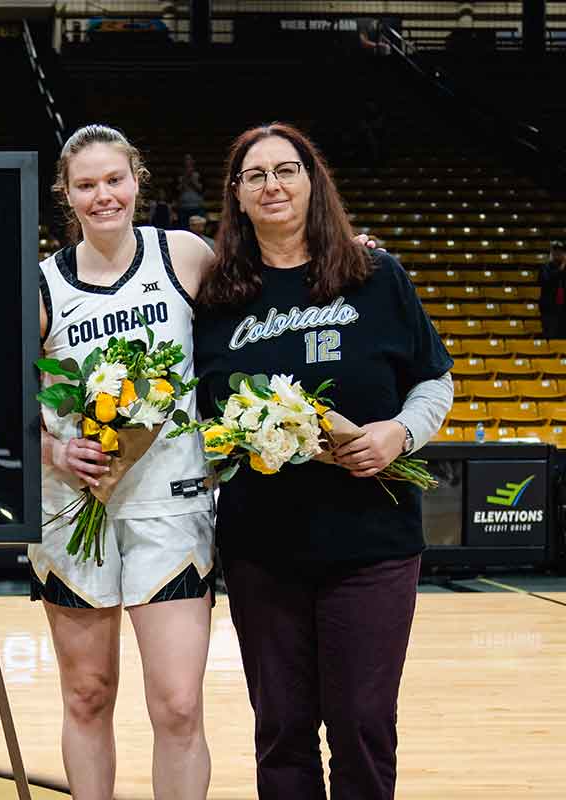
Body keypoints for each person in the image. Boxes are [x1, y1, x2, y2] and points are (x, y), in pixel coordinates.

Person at [192, 122, 453, 800]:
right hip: (262, 546)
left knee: (362, 723)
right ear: (237, 196)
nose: (272, 185)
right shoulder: (217, 298)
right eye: (255, 176)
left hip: (373, 540)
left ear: (313, 182)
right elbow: (199, 415)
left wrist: (400, 433)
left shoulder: (376, 275)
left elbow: (435, 378)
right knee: (281, 727)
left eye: (287, 170)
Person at [31, 124, 217, 800]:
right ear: (67, 196)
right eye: (86, 185)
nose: (103, 195)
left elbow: (264, 316)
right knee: (86, 695)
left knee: (177, 705)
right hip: (73, 507)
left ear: (138, 179)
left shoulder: (188, 257)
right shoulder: (41, 285)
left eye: (115, 179)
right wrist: (53, 448)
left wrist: (348, 258)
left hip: (170, 502)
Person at [539, 240, 566, 339]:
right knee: (551, 335)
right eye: (555, 251)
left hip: (563, 309)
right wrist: (561, 268)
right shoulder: (545, 267)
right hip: (550, 309)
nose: (557, 254)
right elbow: (547, 280)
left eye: (560, 252)